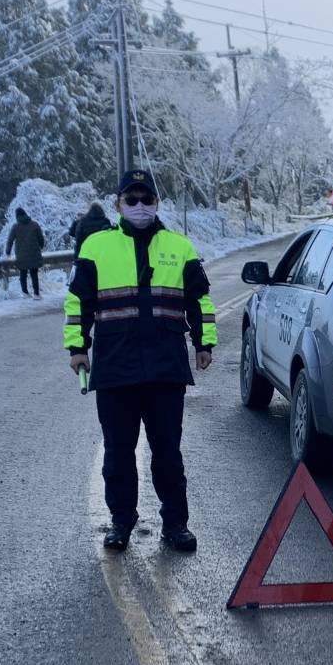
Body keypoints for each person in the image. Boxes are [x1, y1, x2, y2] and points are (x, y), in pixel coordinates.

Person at [64, 169, 217, 553]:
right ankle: (120, 521)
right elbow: (78, 302)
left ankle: (176, 523)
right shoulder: (96, 247)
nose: (139, 206)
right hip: (116, 368)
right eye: (131, 200)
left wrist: (204, 342)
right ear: (118, 204)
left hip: (165, 368)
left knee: (168, 452)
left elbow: (199, 299)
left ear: (156, 203)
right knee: (118, 451)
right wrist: (77, 347)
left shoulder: (179, 246)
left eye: (146, 199)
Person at [4, 207, 46, 298]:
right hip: (34, 253)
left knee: (23, 273)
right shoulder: (35, 225)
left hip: (21, 255)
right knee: (34, 274)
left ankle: (25, 292)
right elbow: (41, 238)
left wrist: (8, 252)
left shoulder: (15, 227)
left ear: (17, 216)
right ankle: (36, 293)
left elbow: (10, 240)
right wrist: (41, 246)